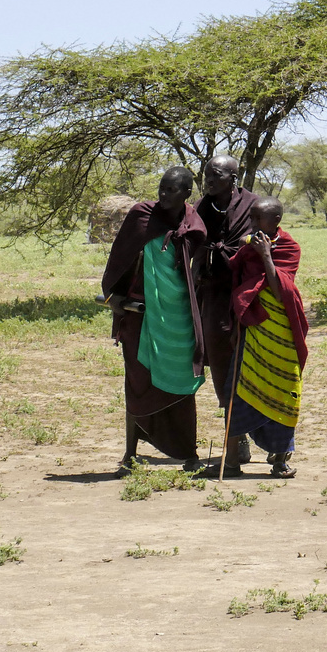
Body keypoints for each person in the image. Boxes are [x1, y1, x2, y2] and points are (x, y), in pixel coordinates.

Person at [102, 166, 209, 475]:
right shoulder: (142, 216)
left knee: (182, 383)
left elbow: (196, 268)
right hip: (140, 314)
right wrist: (116, 296)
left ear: (187, 193)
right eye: (161, 188)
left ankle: (189, 453)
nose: (163, 194)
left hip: (178, 316)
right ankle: (130, 454)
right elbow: (120, 259)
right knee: (137, 381)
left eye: (172, 190)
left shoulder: (193, 224)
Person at [223, 197, 307, 478]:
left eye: (261, 219)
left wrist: (266, 255)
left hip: (280, 329)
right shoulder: (248, 247)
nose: (255, 224)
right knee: (236, 390)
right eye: (253, 218)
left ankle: (281, 460)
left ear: (276, 222)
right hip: (252, 327)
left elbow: (281, 287)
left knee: (284, 389)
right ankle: (231, 461)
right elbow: (238, 280)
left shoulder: (289, 247)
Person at [194, 154, 259, 463]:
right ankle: (236, 435)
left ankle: (262, 431)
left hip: (246, 292)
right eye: (206, 174)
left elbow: (261, 244)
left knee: (250, 360)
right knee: (219, 356)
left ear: (233, 178)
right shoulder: (201, 208)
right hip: (213, 295)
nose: (208, 180)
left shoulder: (253, 205)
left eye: (215, 175)